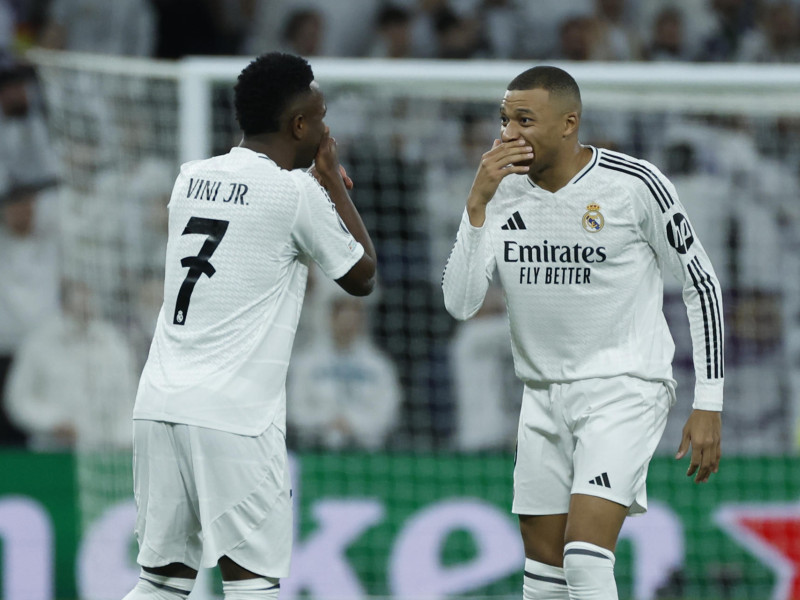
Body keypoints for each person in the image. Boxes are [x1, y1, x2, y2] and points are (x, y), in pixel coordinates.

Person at [441, 66, 723, 600]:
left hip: (624, 387)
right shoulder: (499, 195)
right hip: (542, 396)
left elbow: (701, 284)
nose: (508, 135)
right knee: (544, 578)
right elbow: (460, 304)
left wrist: (708, 400)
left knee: (586, 559)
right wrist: (476, 204)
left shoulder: (634, 185)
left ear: (569, 123)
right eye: (504, 120)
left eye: (525, 120)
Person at [123, 52, 376, 600]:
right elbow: (362, 275)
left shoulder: (190, 178)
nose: (328, 129)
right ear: (299, 126)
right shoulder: (294, 192)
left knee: (162, 584)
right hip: (235, 419)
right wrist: (331, 181)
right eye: (322, 116)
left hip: (159, 404)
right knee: (252, 587)